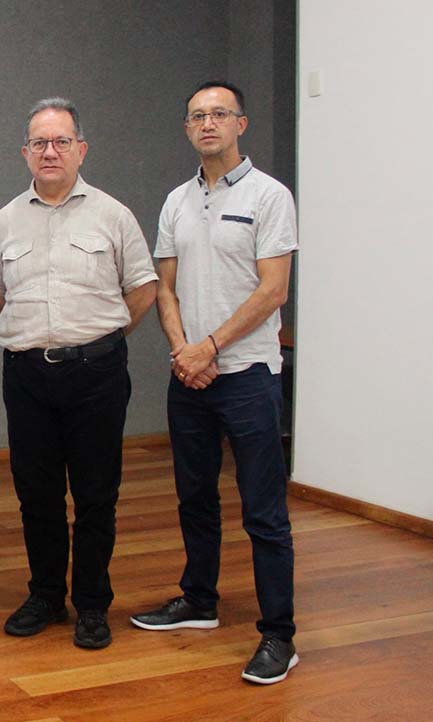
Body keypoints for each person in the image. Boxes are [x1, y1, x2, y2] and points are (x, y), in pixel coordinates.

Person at [130, 80, 299, 685]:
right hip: (190, 376)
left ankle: (279, 634)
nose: (208, 124)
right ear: (187, 128)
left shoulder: (270, 196)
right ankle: (199, 600)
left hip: (248, 374)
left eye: (219, 114)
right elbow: (165, 287)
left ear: (241, 124)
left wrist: (210, 347)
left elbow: (272, 290)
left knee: (264, 511)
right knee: (194, 497)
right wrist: (182, 350)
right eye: (197, 115)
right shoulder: (177, 200)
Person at [0, 98, 158, 650]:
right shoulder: (6, 219)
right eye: (39, 143)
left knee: (96, 493)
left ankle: (93, 603)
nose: (49, 152)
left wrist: (97, 339)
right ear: (25, 153)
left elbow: (143, 289)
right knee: (36, 493)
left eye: (61, 141)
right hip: (27, 376)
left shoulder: (113, 214)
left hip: (97, 376)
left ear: (81, 148)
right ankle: (46, 595)